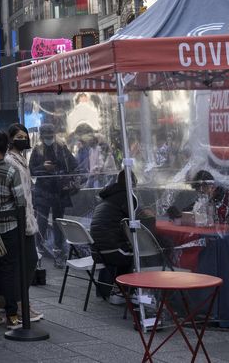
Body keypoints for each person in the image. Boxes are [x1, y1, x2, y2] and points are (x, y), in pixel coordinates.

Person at [0, 129, 39, 328]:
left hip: (20, 219)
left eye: (24, 136)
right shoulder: (10, 164)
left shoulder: (17, 159)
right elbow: (19, 198)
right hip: (16, 221)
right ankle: (17, 304)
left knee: (9, 265)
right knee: (22, 263)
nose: (23, 139)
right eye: (18, 137)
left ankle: (5, 300)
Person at [90, 170, 148, 303]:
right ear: (133, 182)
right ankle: (124, 292)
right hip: (113, 251)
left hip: (97, 251)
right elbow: (132, 223)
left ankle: (106, 290)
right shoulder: (128, 196)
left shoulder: (108, 197)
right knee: (137, 255)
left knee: (120, 248)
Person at [29, 123, 79, 268]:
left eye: (51, 136)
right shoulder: (37, 150)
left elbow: (74, 165)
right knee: (42, 224)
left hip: (58, 192)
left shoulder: (62, 149)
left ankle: (59, 254)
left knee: (58, 225)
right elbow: (31, 170)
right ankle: (38, 254)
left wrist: (60, 172)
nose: (49, 139)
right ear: (42, 136)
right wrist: (43, 168)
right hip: (44, 191)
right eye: (47, 137)